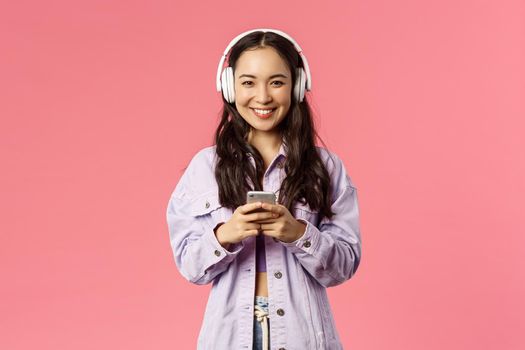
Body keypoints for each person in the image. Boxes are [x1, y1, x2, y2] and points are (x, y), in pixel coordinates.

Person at [166, 28, 362, 350]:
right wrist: (226, 234)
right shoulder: (205, 168)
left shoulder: (326, 167)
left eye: (276, 82)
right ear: (229, 87)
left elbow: (344, 266)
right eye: (248, 82)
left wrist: (298, 233)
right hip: (229, 337)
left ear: (297, 86)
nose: (263, 96)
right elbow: (190, 267)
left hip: (304, 336)